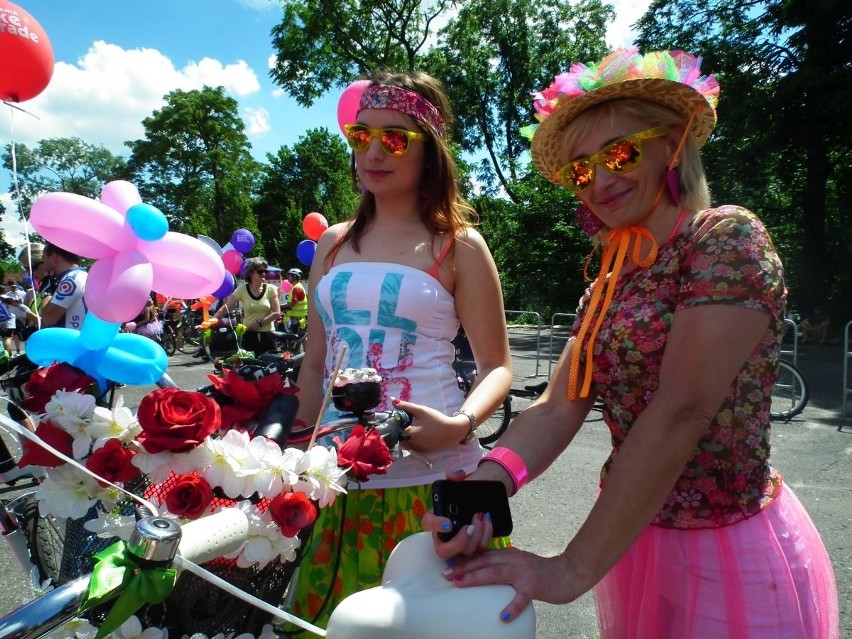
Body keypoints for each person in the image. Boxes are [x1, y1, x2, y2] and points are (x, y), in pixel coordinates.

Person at [424, 49, 839, 638]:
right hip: (638, 540)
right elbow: (561, 403)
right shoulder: (609, 280)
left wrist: (570, 569)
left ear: (671, 144)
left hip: (731, 548)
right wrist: (490, 481)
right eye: (581, 170)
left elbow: (681, 411)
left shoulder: (724, 237)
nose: (601, 181)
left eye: (618, 153)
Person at [288, 70, 512, 626]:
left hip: (432, 484)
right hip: (336, 480)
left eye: (394, 137)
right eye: (361, 135)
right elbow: (315, 361)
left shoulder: (459, 244)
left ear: (429, 149)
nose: (373, 151)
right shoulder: (333, 243)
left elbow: (497, 366)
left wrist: (459, 424)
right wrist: (286, 446)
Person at [211, 257, 281, 356]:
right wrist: (210, 322)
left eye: (265, 271)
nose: (264, 274)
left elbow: (277, 313)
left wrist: (259, 323)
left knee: (271, 368)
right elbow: (225, 308)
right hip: (248, 334)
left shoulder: (271, 289)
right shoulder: (241, 290)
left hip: (268, 335)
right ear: (251, 273)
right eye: (260, 271)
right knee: (249, 367)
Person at [40, 242, 87, 330]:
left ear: (53, 257)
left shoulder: (71, 279)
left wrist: (47, 292)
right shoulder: (80, 275)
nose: (43, 263)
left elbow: (48, 318)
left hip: (70, 341)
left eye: (44, 258)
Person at [279, 267, 308, 333]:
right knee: (299, 339)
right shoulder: (297, 287)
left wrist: (280, 306)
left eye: (289, 276)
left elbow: (292, 304)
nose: (288, 278)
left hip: (296, 319)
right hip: (298, 318)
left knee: (296, 339)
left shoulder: (297, 288)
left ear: (295, 277)